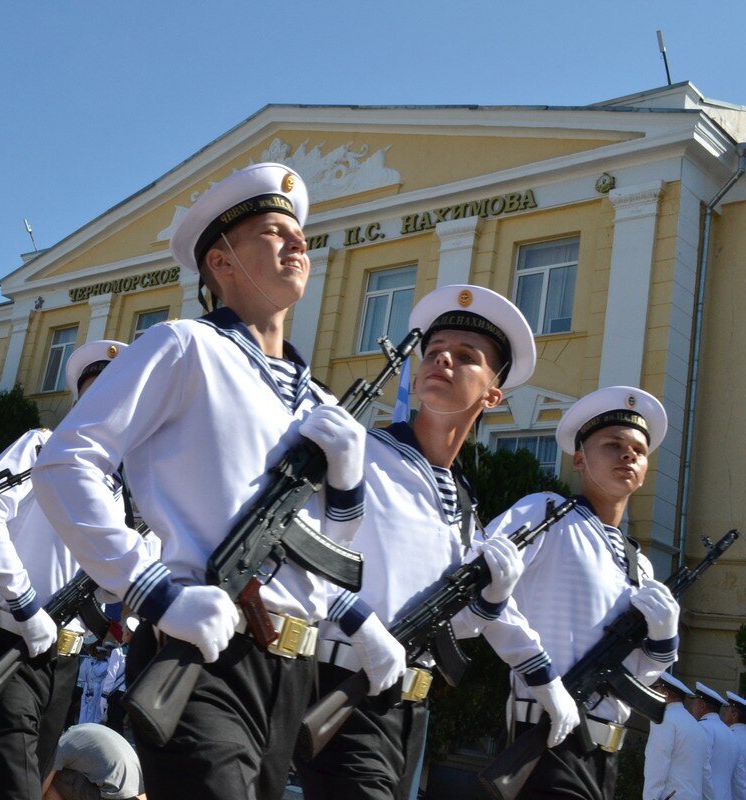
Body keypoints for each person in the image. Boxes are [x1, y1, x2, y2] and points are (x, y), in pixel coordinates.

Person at [34, 163, 369, 799]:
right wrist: (153, 591)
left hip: (292, 669)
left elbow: (338, 552)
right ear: (221, 260)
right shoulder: (184, 346)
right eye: (274, 231)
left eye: (299, 233)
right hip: (201, 646)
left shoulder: (317, 401)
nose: (298, 242)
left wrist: (348, 487)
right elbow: (65, 462)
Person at [297, 284, 576, 799]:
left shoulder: (463, 499)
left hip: (411, 708)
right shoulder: (363, 452)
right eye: (435, 352)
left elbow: (458, 627)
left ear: (493, 394)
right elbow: (301, 554)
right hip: (344, 686)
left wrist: (491, 599)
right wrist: (359, 622)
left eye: (466, 357)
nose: (442, 360)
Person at [486, 386, 682, 798]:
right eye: (612, 445)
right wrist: (541, 675)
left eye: (638, 451)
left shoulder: (638, 563)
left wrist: (663, 644)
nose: (628, 455)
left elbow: (632, 677)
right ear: (579, 458)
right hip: (547, 736)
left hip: (604, 752)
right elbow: (477, 583)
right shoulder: (546, 513)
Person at [0, 339, 129, 800]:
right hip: (9, 643)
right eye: (96, 389)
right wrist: (24, 602)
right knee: (20, 790)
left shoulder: (128, 489)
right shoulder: (41, 446)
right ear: (79, 397)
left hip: (67, 659)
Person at [642, 672, 710, 800]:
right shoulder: (696, 725)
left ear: (664, 694)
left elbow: (657, 765)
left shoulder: (663, 719)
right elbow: (706, 772)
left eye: (655, 689)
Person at [43, 723, 145, 800]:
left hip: (114, 795)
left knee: (50, 776)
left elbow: (41, 786)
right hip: (136, 790)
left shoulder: (60, 745)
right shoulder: (79, 731)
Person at [691, 682, 746, 800]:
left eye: (694, 702)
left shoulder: (702, 727)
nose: (692, 707)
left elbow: (701, 768)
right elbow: (739, 780)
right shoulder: (730, 735)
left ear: (701, 705)